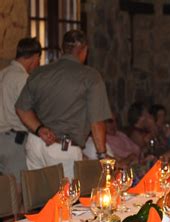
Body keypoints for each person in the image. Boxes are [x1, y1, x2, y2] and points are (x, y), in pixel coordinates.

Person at [15, 30, 111, 178]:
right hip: (63, 149)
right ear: (84, 50)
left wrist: (39, 129)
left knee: (38, 198)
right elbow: (96, 121)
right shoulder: (91, 77)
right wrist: (102, 155)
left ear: (62, 49)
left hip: (35, 144)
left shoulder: (39, 72)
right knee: (68, 198)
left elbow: (21, 108)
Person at [0, 37, 41, 183]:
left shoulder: (2, 73)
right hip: (14, 144)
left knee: (4, 193)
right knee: (19, 190)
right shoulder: (23, 79)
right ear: (35, 57)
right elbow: (29, 111)